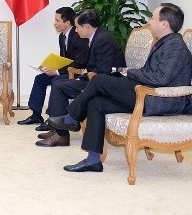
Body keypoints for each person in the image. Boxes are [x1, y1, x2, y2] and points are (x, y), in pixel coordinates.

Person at [47, 3, 192, 172]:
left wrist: (130, 72)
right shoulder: (165, 43)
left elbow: (161, 78)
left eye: (153, 18)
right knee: (97, 103)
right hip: (147, 94)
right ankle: (93, 160)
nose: (149, 22)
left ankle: (72, 118)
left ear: (164, 24)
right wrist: (127, 72)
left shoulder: (175, 45)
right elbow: (152, 73)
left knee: (98, 80)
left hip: (161, 100)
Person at [35, 9, 126, 147]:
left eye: (77, 27)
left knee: (59, 86)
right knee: (59, 84)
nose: (76, 31)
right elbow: (94, 68)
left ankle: (61, 135)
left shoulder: (103, 40)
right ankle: (58, 130)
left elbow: (102, 72)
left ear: (87, 27)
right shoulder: (96, 37)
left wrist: (83, 78)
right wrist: (83, 77)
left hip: (106, 84)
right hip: (95, 80)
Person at [17, 7, 88, 126]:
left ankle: (52, 119)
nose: (54, 24)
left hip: (76, 72)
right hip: (64, 70)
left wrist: (56, 72)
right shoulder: (62, 36)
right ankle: (36, 115)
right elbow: (64, 60)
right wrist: (49, 66)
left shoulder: (78, 37)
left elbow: (80, 63)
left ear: (67, 23)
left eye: (57, 20)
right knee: (40, 79)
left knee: (56, 80)